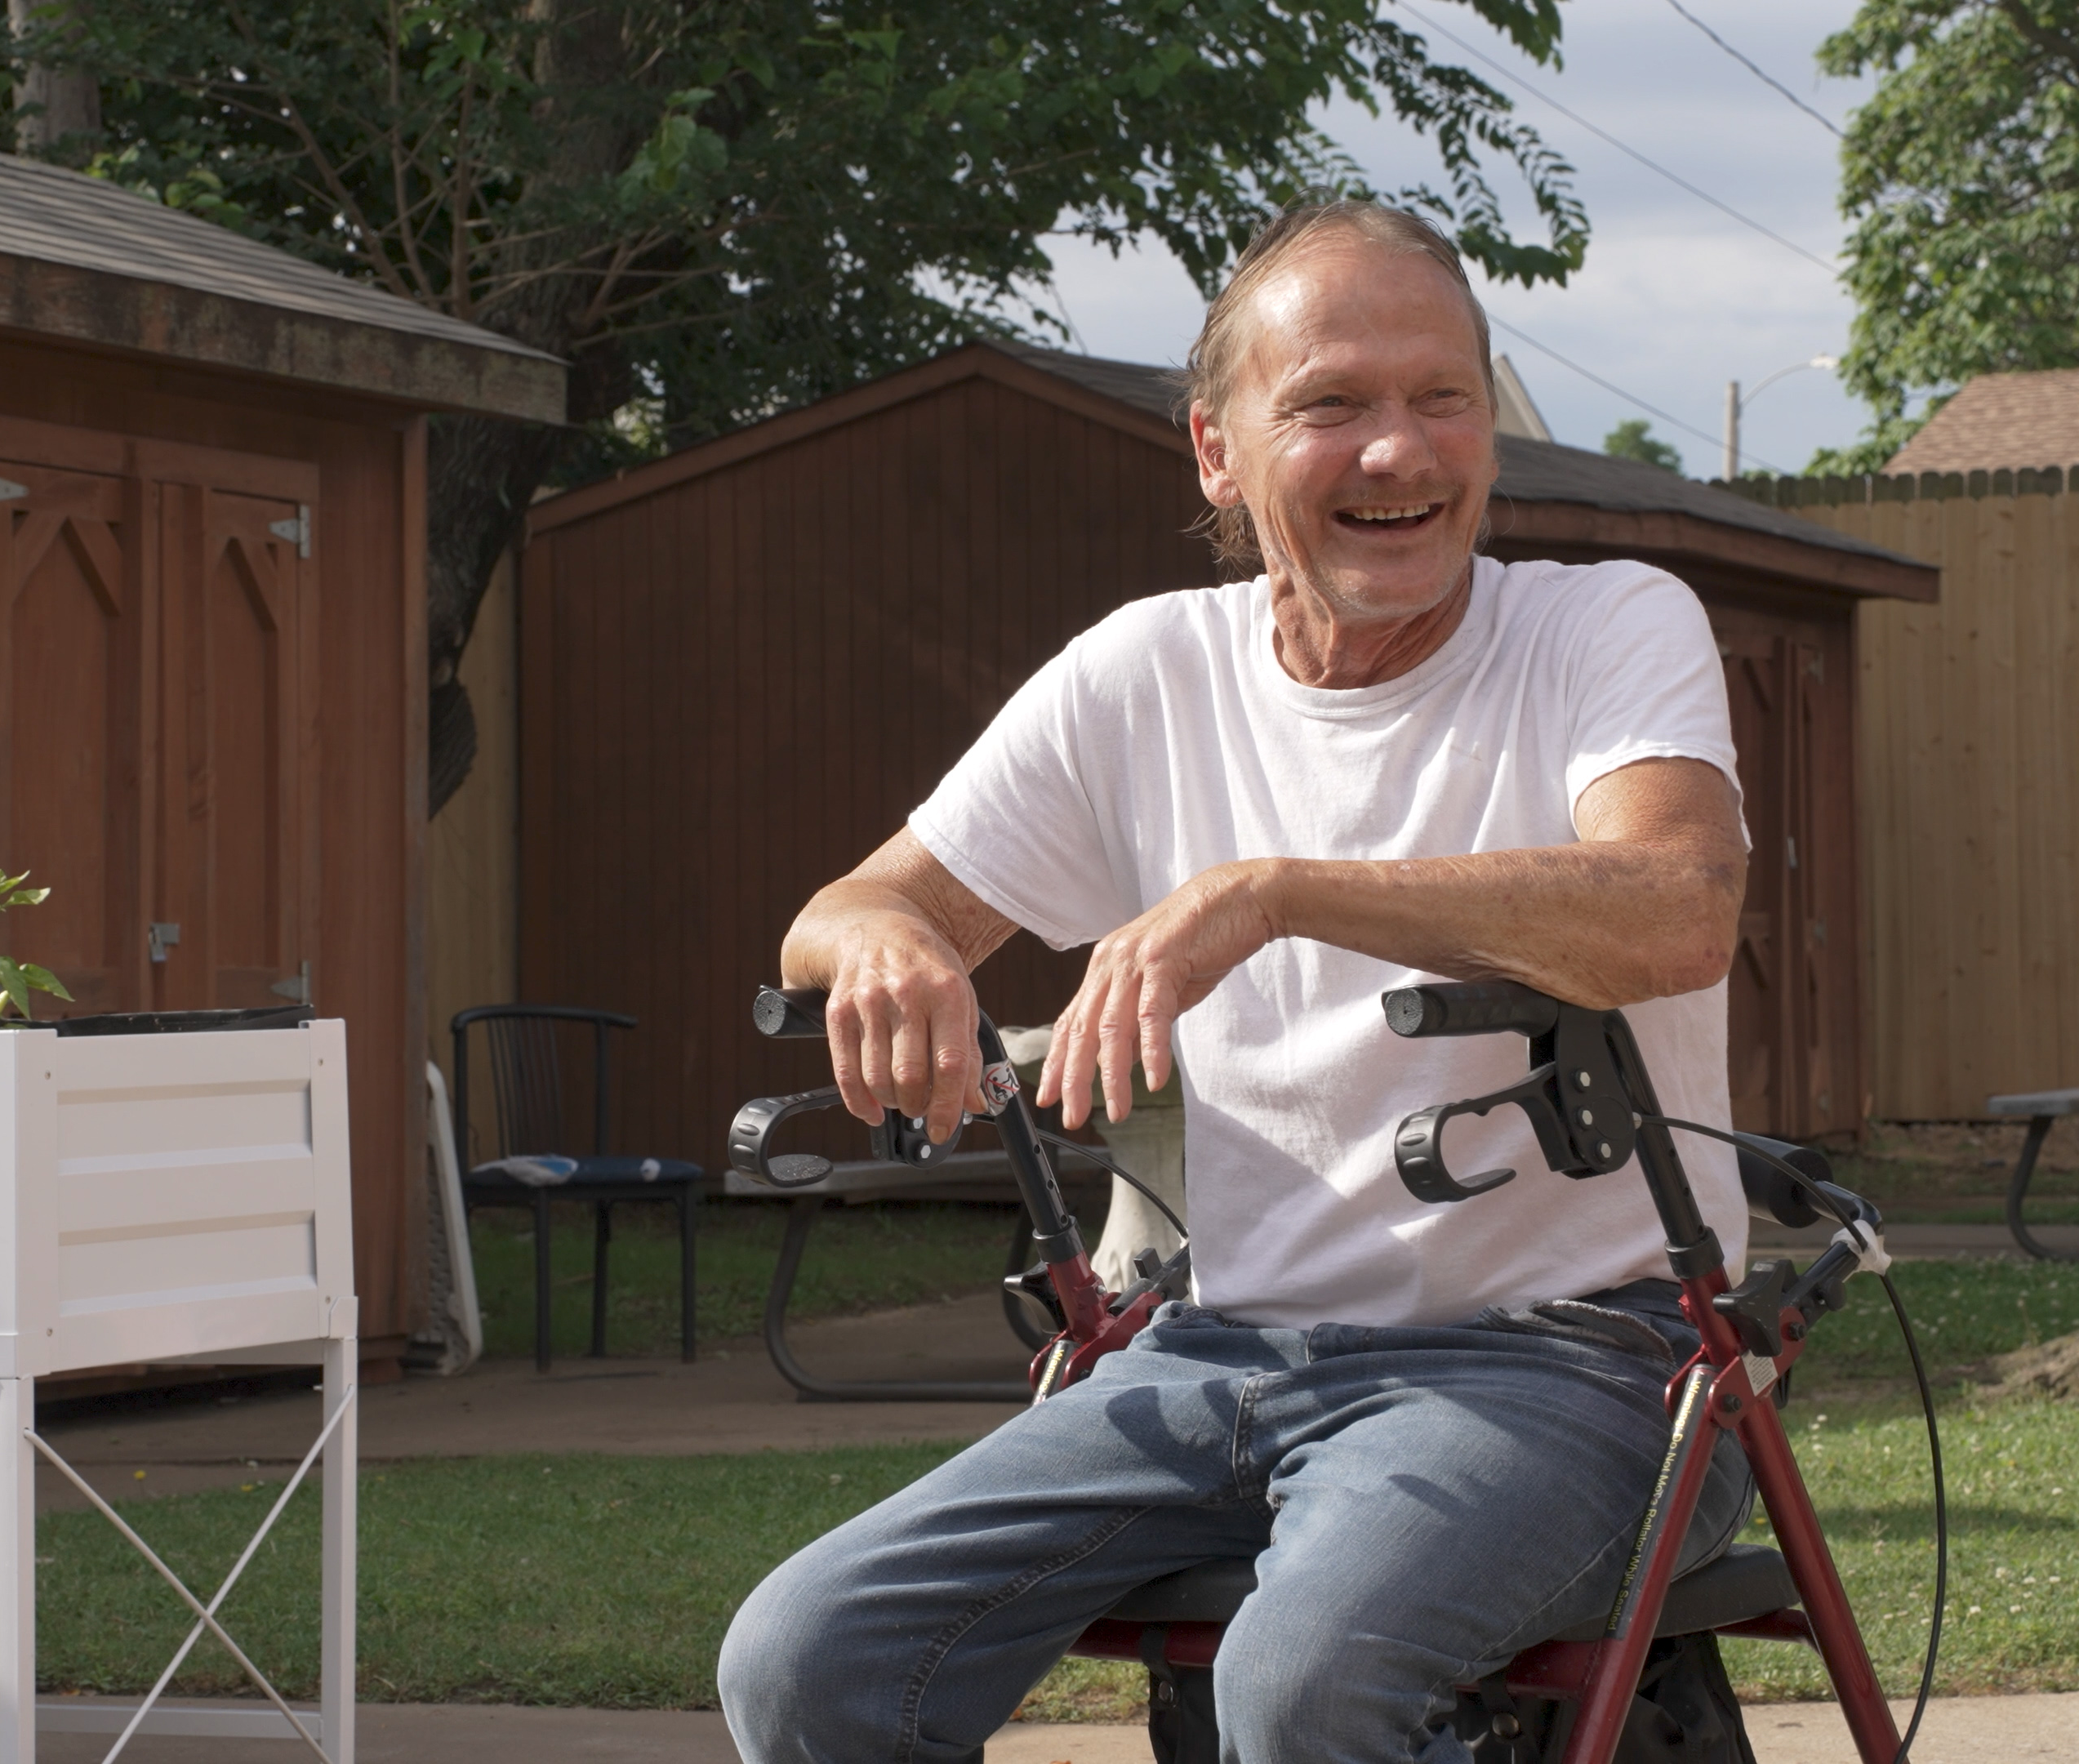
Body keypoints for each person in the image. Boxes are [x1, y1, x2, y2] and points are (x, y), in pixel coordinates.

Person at [715, 200, 1760, 1764]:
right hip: (1227, 1347)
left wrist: (1266, 897)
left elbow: (1678, 908)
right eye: (1333, 404)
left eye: (1442, 399)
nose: (1399, 452)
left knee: (1301, 1688)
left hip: (1578, 1358)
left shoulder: (1608, 624)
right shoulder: (1145, 671)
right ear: (1218, 449)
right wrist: (884, 942)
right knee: (805, 1660)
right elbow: (852, 906)